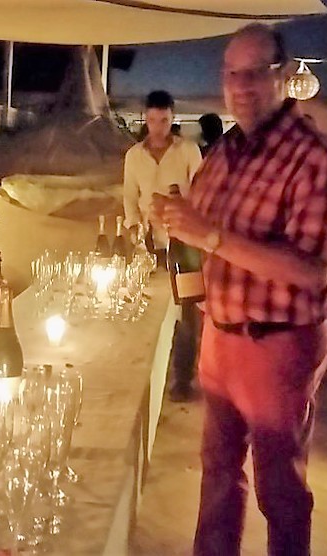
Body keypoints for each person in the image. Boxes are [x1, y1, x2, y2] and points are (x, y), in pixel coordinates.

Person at [153, 24, 327, 556]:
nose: (241, 86)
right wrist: (181, 225)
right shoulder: (221, 155)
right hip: (220, 338)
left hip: (278, 345)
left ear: (284, 76)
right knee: (217, 478)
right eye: (231, 74)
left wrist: (211, 235)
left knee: (279, 488)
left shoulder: (317, 157)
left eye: (255, 73)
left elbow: (312, 272)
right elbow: (200, 244)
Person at [122, 90, 203, 401]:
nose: (158, 127)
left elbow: (201, 191)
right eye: (153, 120)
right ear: (145, 118)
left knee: (186, 311)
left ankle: (182, 380)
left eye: (164, 120)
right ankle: (149, 376)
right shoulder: (134, 155)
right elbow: (130, 196)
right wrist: (133, 227)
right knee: (148, 308)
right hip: (148, 243)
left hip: (186, 242)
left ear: (173, 118)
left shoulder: (188, 151)